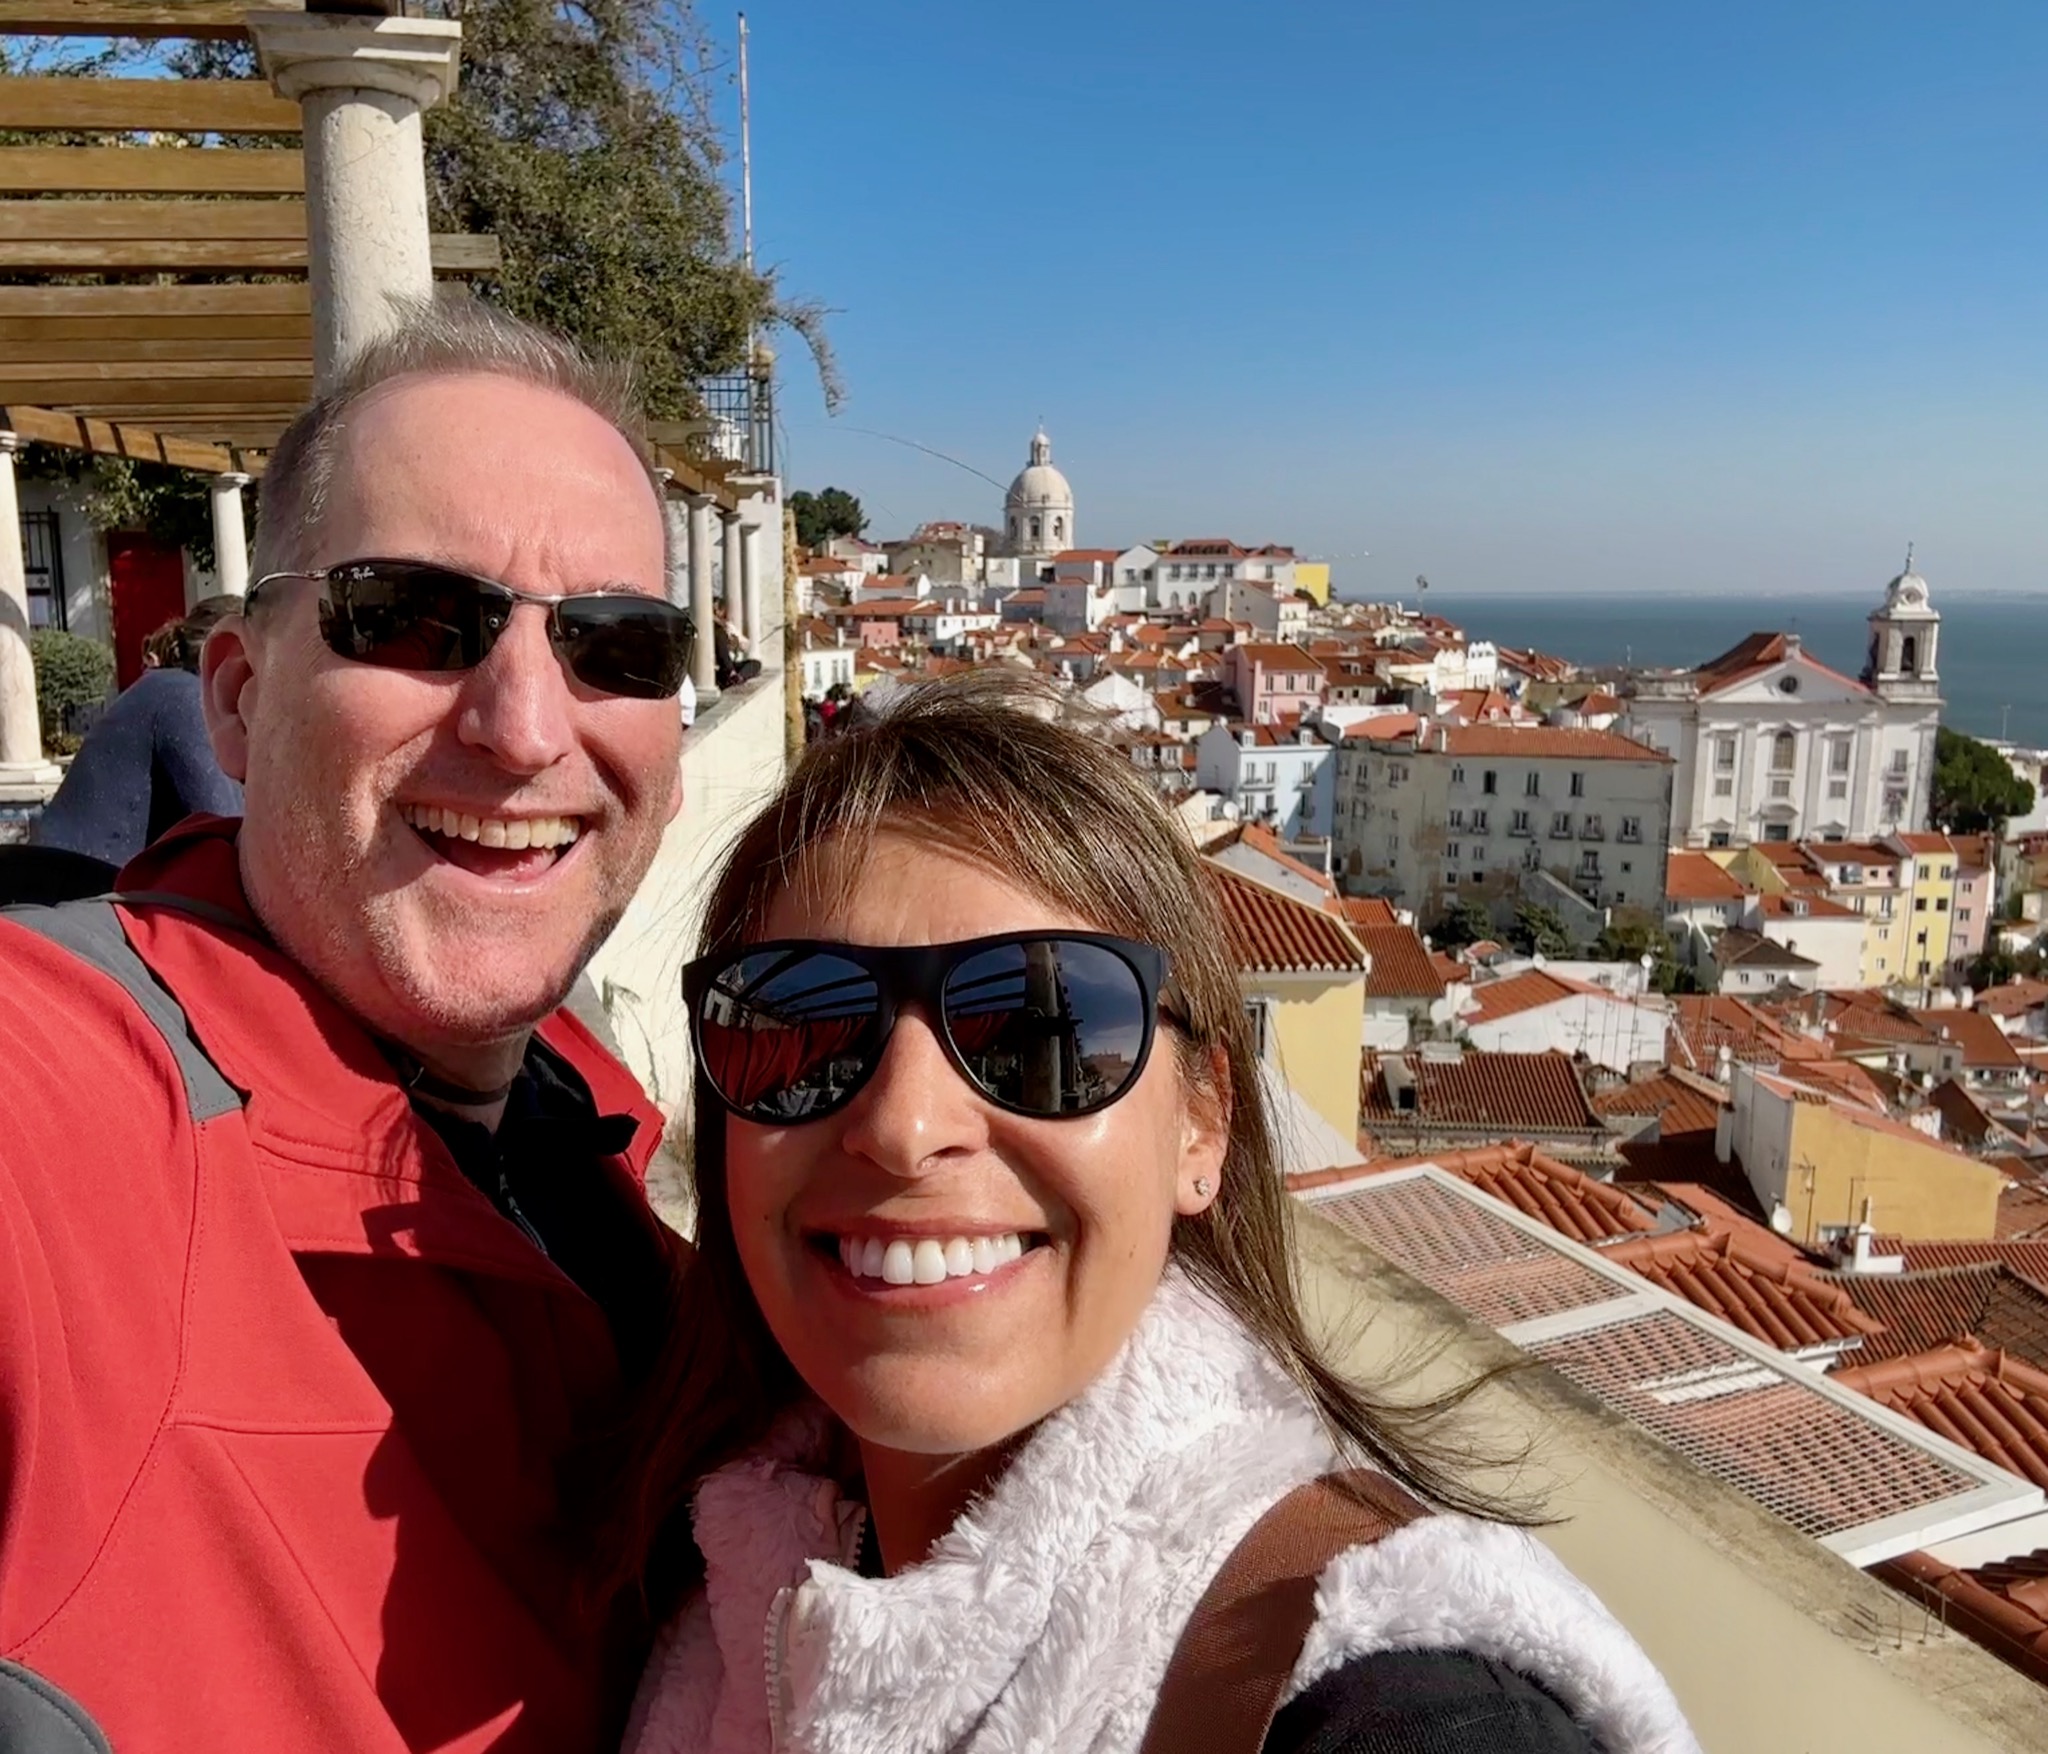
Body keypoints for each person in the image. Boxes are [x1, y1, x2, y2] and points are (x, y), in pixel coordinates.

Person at [621, 675, 1698, 1754]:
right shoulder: (695, 1576)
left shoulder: (1394, 1702)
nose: (903, 1126)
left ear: (1201, 1125)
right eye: (802, 1025)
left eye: (1045, 1024)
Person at [0, 299, 699, 1753]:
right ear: (242, 704)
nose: (523, 725)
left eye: (614, 647)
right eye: (414, 620)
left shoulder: (584, 1125)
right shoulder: (67, 1108)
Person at [29, 596, 245, 871]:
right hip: (67, 888)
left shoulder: (165, 688)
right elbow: (227, 829)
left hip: (70, 879)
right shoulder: (180, 696)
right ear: (227, 658)